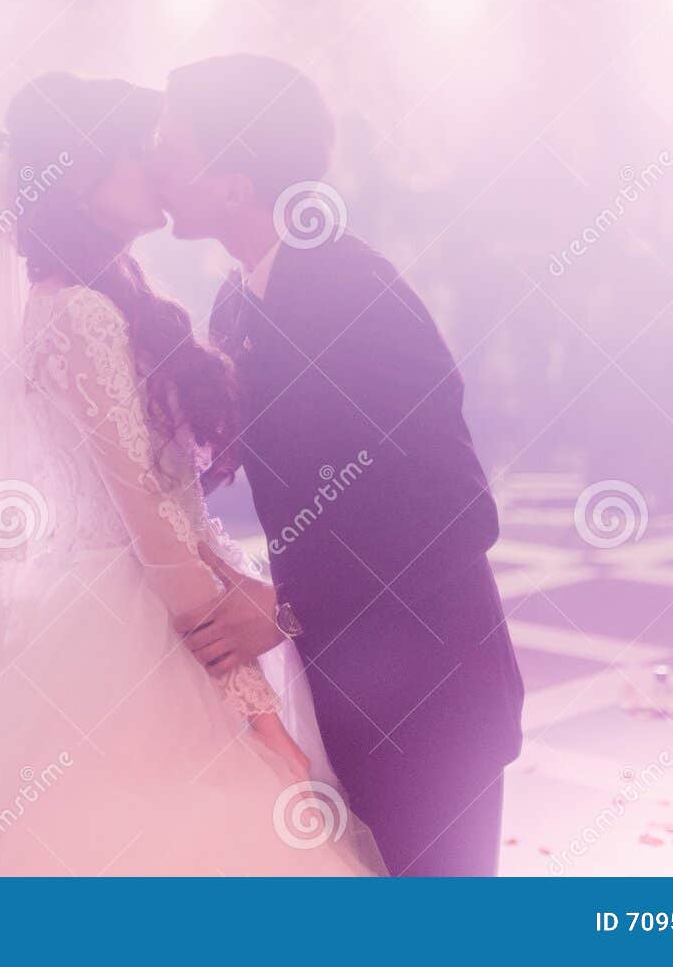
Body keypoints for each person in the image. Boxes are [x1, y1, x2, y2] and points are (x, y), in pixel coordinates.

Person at [0, 73, 376, 875]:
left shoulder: (106, 294)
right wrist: (257, 714)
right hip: (133, 615)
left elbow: (165, 512)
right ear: (79, 175)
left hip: (124, 593)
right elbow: (150, 521)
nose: (157, 174)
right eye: (137, 157)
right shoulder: (78, 312)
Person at [152, 54, 525, 876]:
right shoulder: (237, 299)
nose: (153, 167)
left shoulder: (360, 293)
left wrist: (288, 606)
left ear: (233, 183)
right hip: (342, 684)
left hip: (433, 697)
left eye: (172, 151)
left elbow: (461, 510)